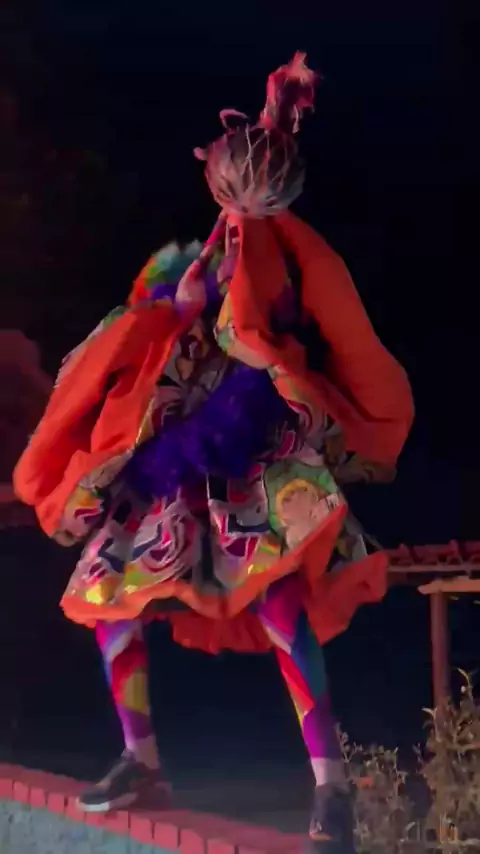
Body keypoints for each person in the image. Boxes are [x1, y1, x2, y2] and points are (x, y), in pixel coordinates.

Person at [14, 54, 414, 851]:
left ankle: (330, 786)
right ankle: (140, 759)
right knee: (108, 592)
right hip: (174, 452)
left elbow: (274, 301)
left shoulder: (280, 256)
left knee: (280, 603)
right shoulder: (195, 257)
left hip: (254, 452)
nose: (231, 199)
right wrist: (175, 306)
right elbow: (142, 325)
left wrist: (274, 128)